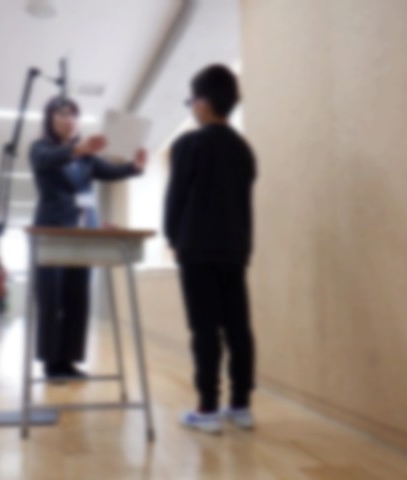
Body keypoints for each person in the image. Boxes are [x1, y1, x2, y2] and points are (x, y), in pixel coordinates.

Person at [164, 65, 257, 434]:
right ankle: (241, 405)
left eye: (191, 101)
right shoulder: (243, 149)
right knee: (238, 328)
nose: (192, 108)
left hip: (197, 249)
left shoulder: (189, 144)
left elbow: (175, 199)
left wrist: (173, 238)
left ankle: (207, 409)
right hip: (235, 249)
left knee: (204, 330)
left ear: (202, 102)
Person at [30, 96, 147, 379]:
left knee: (77, 298)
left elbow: (111, 171)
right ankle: (51, 363)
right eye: (62, 114)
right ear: (50, 119)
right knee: (51, 298)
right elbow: (46, 161)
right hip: (53, 233)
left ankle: (69, 361)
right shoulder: (40, 147)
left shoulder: (87, 159)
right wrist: (76, 148)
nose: (69, 120)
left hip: (84, 234)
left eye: (73, 115)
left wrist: (135, 167)